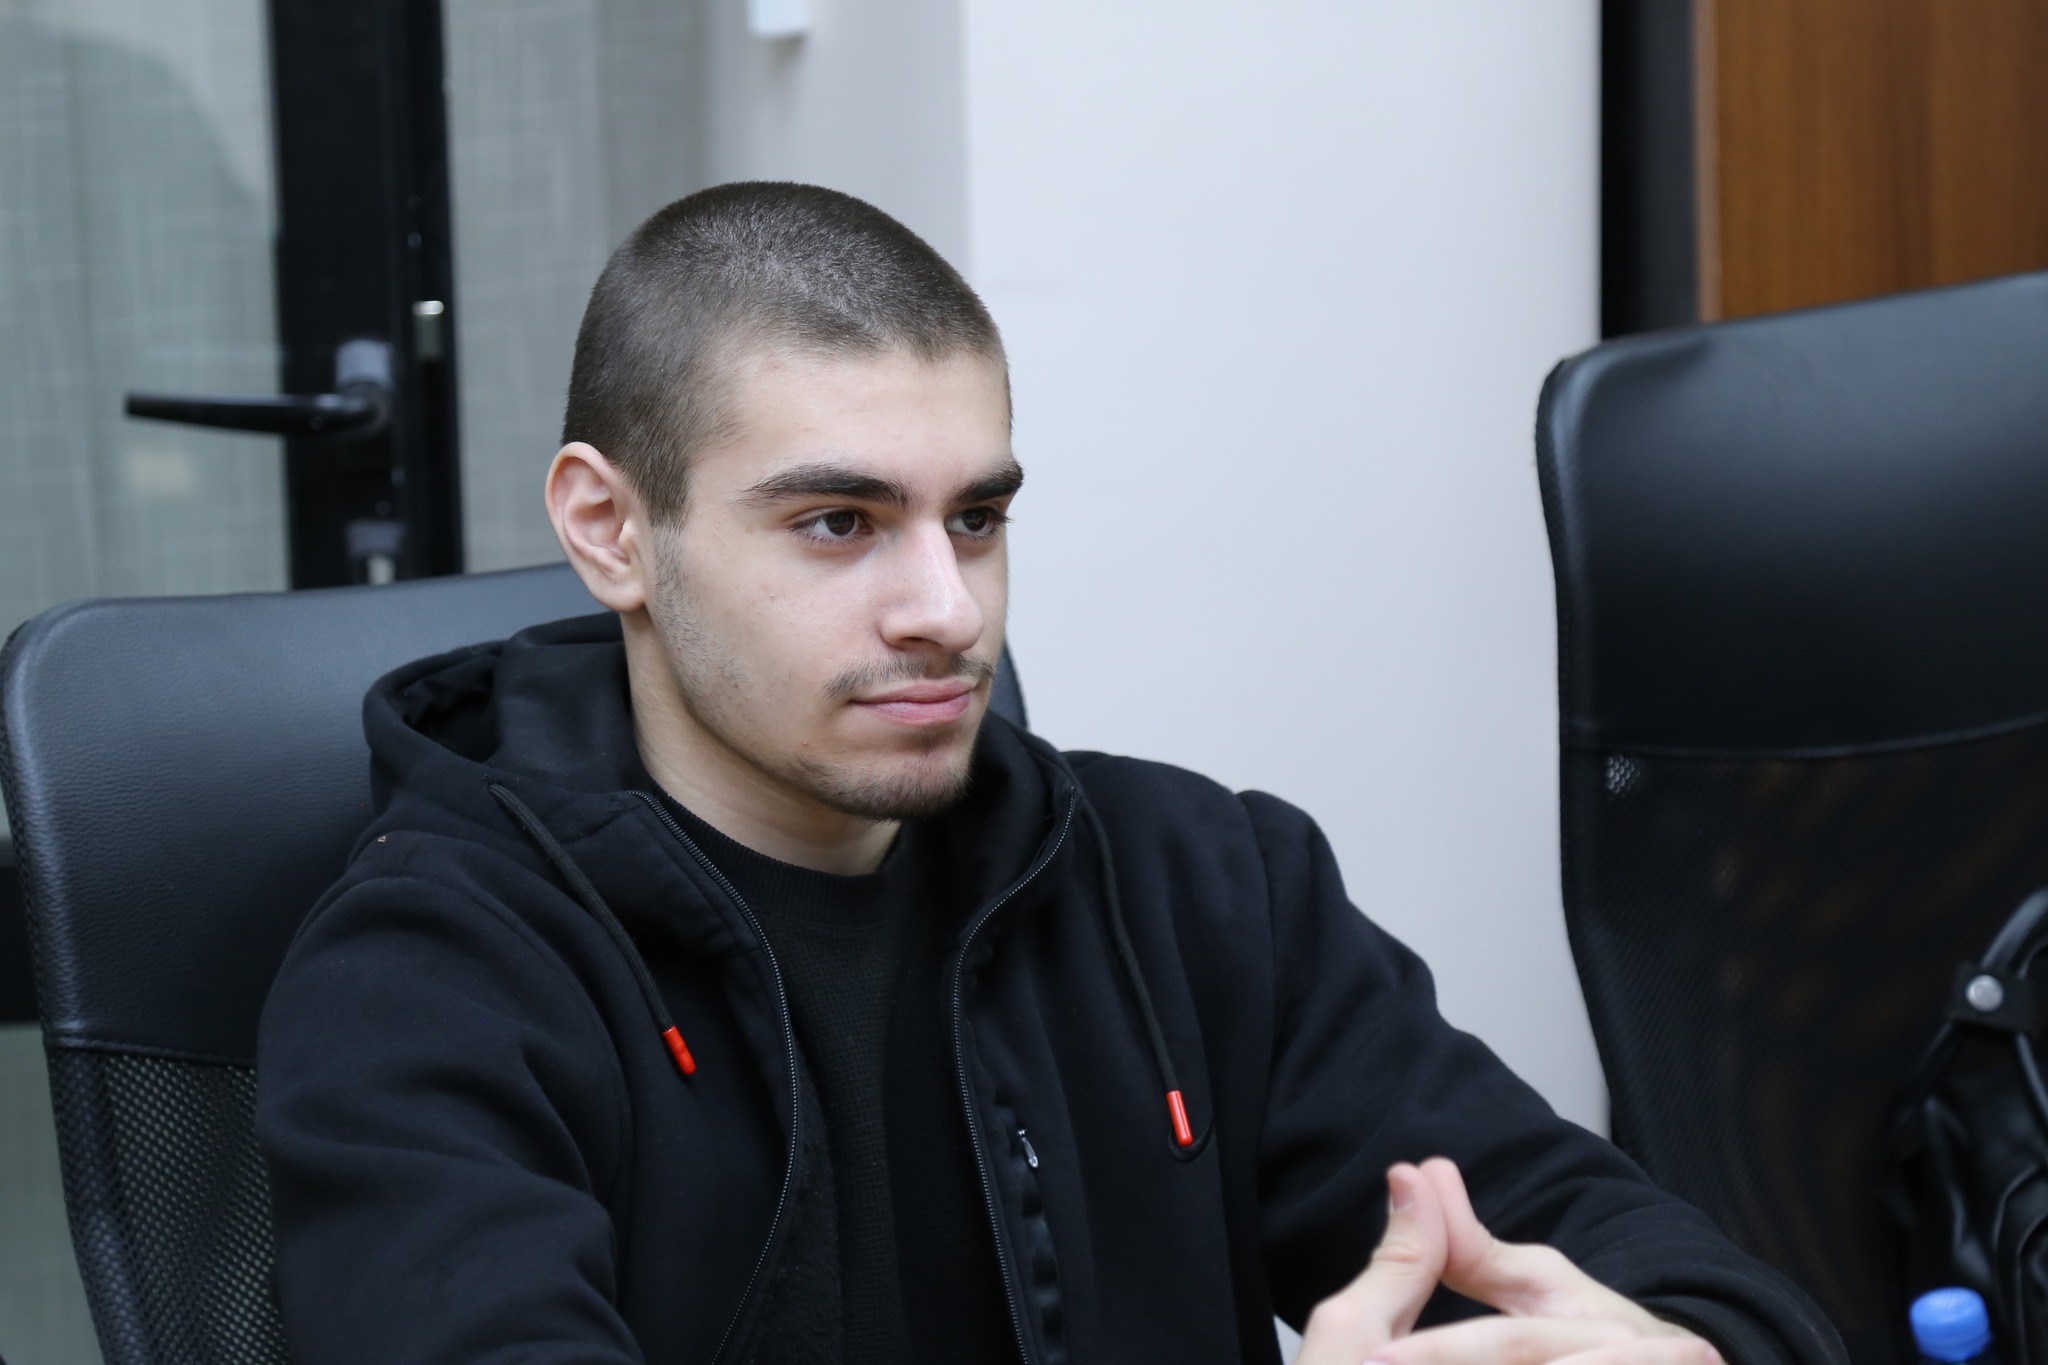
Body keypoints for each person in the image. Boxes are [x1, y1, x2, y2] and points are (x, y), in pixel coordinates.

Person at [256, 182, 1844, 1365]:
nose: (946, 609)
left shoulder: (1200, 887)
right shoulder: (431, 978)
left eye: (977, 517)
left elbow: (1649, 1259)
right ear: (610, 528)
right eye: (837, 523)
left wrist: (1678, 1347)